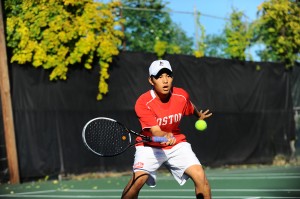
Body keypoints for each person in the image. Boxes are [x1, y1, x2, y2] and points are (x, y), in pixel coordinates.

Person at [121, 60, 212, 199]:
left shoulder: (181, 95)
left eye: (168, 76)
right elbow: (156, 132)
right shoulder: (143, 102)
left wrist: (198, 115)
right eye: (159, 76)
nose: (165, 81)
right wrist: (165, 135)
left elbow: (188, 105)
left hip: (176, 143)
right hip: (149, 145)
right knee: (138, 181)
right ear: (151, 80)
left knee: (200, 177)